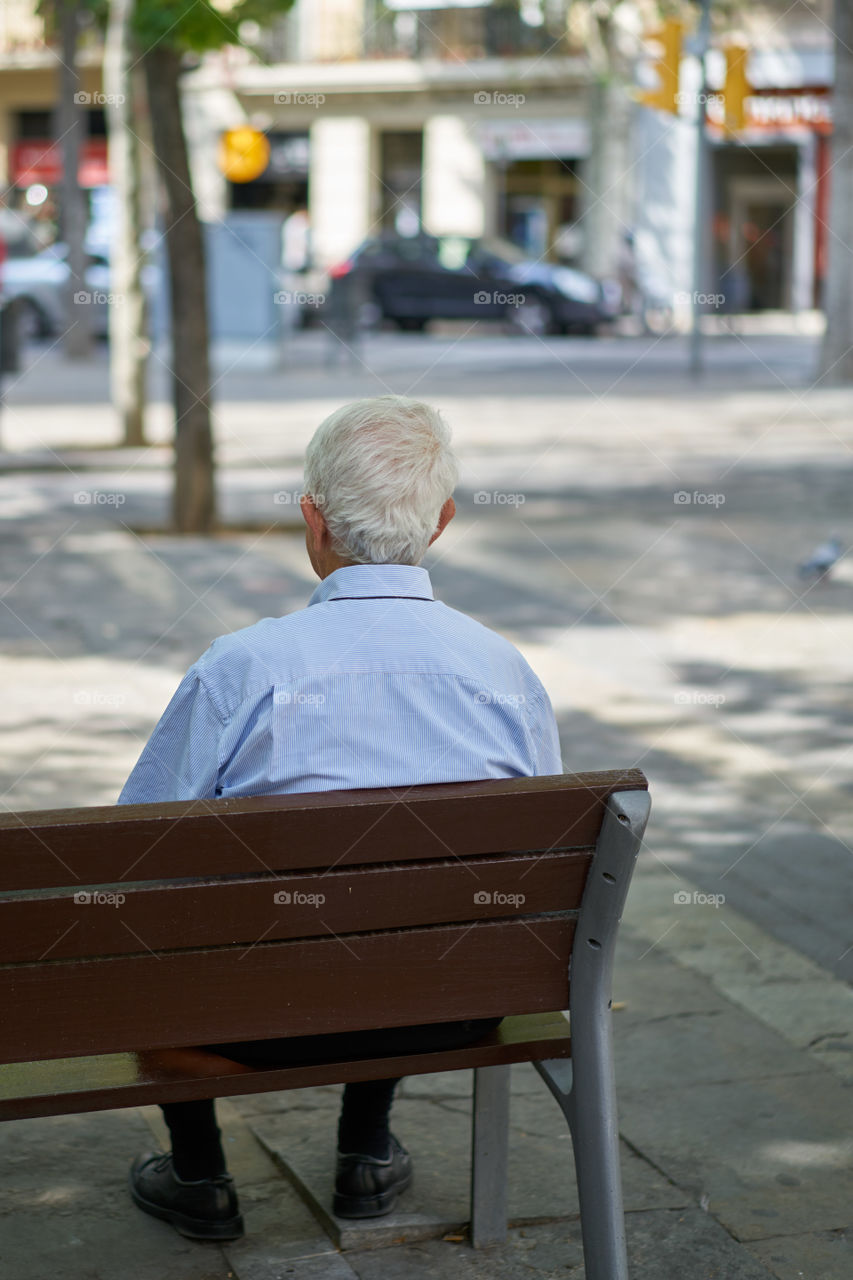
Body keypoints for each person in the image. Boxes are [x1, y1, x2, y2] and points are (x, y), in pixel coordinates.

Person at [119, 395, 562, 1240]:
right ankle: (363, 1152)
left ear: (312, 521)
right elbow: (528, 859)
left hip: (250, 1024)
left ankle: (199, 1172)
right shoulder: (503, 671)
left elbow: (139, 850)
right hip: (454, 1005)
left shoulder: (243, 667)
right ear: (441, 523)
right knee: (409, 908)